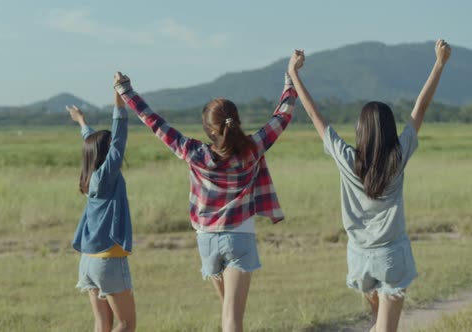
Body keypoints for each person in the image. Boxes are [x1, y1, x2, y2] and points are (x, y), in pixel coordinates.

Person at [287, 40, 451, 332]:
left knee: (378, 325)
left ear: (360, 130)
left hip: (359, 257)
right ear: (389, 130)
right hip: (392, 256)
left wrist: (294, 73)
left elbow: (315, 116)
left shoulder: (347, 158)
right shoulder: (398, 157)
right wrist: (439, 64)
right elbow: (420, 110)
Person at [113, 70, 297, 332]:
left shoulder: (194, 152)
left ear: (209, 130)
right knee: (233, 319)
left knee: (227, 313)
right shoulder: (253, 148)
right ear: (237, 122)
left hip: (206, 240)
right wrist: (290, 79)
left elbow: (154, 122)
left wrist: (126, 90)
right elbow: (283, 116)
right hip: (240, 238)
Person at [68, 73, 136, 332]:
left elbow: (91, 144)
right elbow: (117, 139)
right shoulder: (107, 177)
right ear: (107, 156)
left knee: (102, 323)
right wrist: (119, 95)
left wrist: (82, 122)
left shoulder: (90, 178)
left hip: (88, 260)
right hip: (108, 259)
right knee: (126, 324)